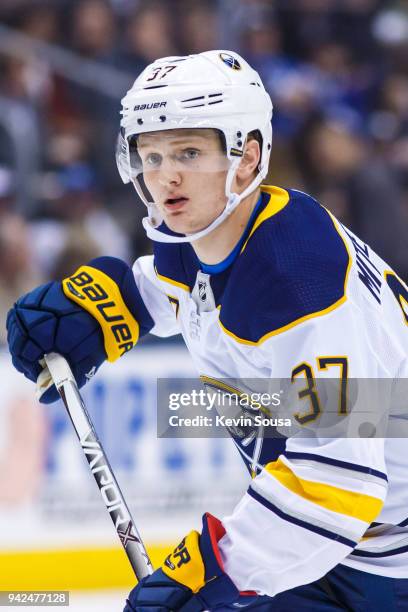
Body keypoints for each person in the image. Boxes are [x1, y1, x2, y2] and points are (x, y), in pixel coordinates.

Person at [6, 50, 408, 611]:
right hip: (342, 550)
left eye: (189, 153)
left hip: (386, 566)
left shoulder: (304, 279)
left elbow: (338, 479)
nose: (164, 175)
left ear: (246, 157)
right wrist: (104, 308)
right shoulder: (209, 233)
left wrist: (212, 572)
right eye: (151, 155)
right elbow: (184, 292)